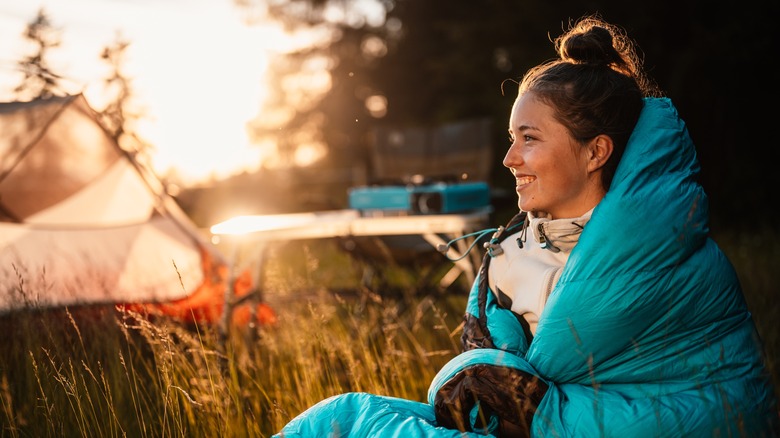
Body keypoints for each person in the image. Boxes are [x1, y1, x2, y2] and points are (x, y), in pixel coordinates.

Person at [274, 15, 779, 437]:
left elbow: (712, 407)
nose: (510, 158)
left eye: (529, 138)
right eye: (511, 138)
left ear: (595, 151)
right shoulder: (508, 255)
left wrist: (526, 404)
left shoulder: (666, 256)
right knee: (334, 418)